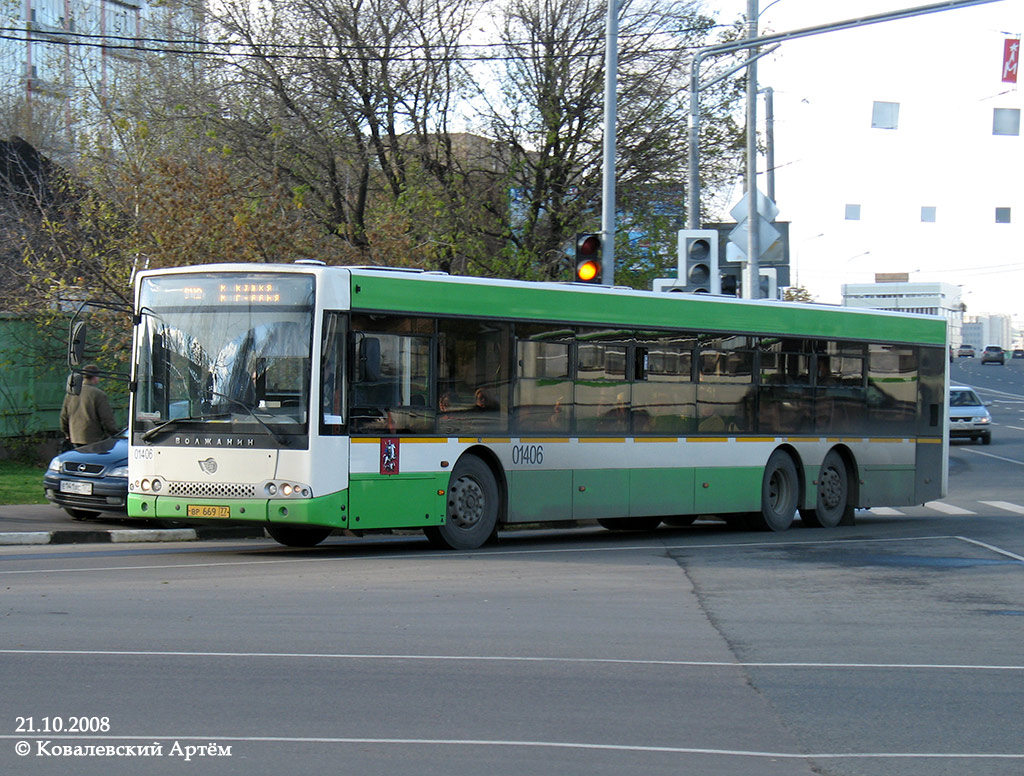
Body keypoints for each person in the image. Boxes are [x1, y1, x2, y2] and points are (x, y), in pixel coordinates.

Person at [60, 365, 120, 447]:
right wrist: (115, 433)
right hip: (94, 439)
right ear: (95, 377)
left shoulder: (71, 394)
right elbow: (106, 418)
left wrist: (67, 433)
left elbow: (64, 417)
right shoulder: (98, 394)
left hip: (75, 437)